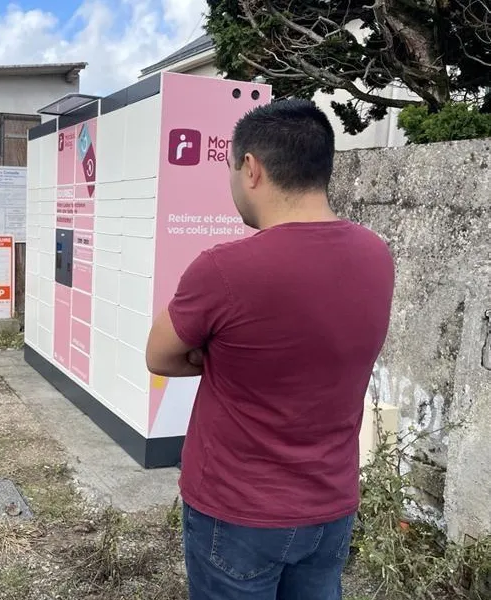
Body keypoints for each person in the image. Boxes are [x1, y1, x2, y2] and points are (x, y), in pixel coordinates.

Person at [145, 99, 395, 600]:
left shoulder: (224, 268)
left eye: (232, 170)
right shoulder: (377, 254)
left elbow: (160, 356)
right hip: (330, 506)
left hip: (238, 513)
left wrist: (216, 357)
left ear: (252, 168)